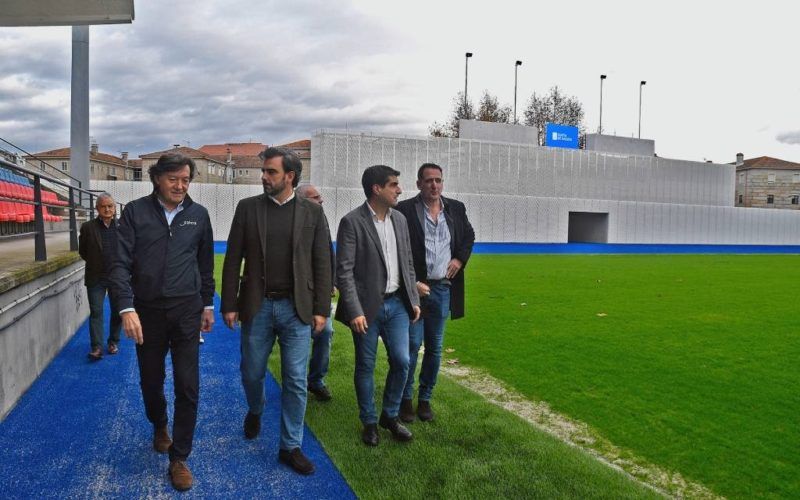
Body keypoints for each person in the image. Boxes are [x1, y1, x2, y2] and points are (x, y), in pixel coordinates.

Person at [221, 147, 331, 475]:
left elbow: (322, 262)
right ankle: (256, 409)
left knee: (296, 380)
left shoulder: (312, 213)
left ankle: (290, 446)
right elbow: (232, 259)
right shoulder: (247, 209)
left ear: (289, 176)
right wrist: (229, 303)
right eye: (264, 171)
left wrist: (321, 308)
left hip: (297, 309)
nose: (264, 177)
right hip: (257, 306)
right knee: (251, 372)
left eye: (271, 172)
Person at [109, 152, 215, 491]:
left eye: (186, 180)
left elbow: (205, 266)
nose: (180, 186)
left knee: (188, 385)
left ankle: (180, 457)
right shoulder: (135, 213)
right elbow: (119, 263)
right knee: (151, 382)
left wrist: (208, 305)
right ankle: (159, 423)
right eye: (174, 179)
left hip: (186, 311)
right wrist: (127, 309)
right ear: (158, 179)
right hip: (147, 312)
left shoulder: (199, 215)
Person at [335, 165, 420, 446]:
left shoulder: (400, 220)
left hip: (396, 305)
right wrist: (355, 310)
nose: (400, 190)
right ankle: (369, 421)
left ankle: (390, 415)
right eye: (394, 185)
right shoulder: (352, 222)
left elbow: (407, 263)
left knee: (403, 361)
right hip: (367, 309)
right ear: (377, 189)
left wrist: (413, 299)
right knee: (366, 365)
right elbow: (344, 271)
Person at [397, 163, 475, 423]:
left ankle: (425, 398)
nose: (434, 185)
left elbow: (469, 236)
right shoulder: (405, 210)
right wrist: (411, 282)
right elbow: (397, 247)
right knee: (410, 345)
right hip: (416, 288)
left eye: (438, 180)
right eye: (428, 180)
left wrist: (459, 260)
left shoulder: (455, 208)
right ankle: (405, 398)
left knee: (435, 347)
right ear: (419, 184)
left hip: (442, 288)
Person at [295, 184, 336, 402]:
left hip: (318, 291)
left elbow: (328, 252)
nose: (321, 200)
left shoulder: (322, 219)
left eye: (320, 196)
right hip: (297, 292)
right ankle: (297, 382)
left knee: (325, 332)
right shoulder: (291, 220)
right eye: (315, 197)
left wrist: (330, 282)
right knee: (297, 338)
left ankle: (316, 380)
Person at [78, 193, 121, 361]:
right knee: (96, 311)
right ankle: (96, 347)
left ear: (115, 207)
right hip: (96, 277)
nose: (107, 209)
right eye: (103, 206)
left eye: (110, 206)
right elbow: (83, 252)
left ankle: (113, 342)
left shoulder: (123, 226)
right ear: (97, 208)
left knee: (118, 311)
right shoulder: (88, 227)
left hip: (117, 277)